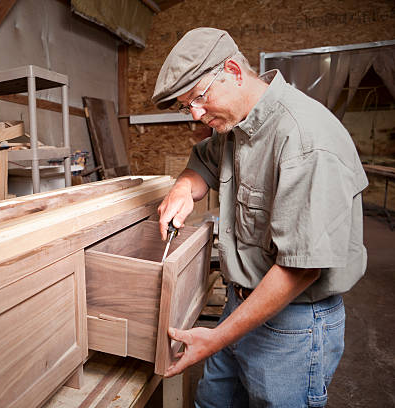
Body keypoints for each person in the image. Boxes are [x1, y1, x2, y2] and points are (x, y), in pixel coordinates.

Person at [152, 27, 368, 407]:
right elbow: (202, 161)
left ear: (234, 72)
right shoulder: (236, 125)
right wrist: (184, 189)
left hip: (294, 324)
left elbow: (300, 269)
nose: (196, 115)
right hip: (240, 303)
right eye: (187, 106)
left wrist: (215, 339)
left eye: (199, 99)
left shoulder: (304, 140)